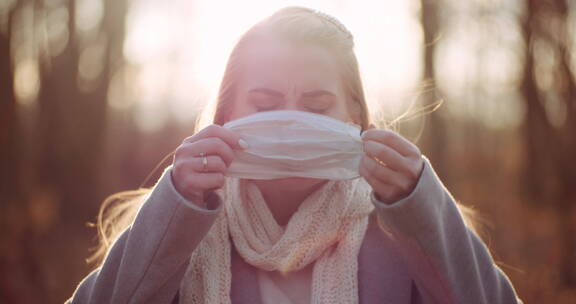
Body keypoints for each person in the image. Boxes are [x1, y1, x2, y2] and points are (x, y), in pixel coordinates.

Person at [67, 6, 523, 304]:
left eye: (317, 106)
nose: (290, 122)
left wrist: (423, 211)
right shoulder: (179, 226)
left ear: (355, 117)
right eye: (264, 105)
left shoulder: (400, 232)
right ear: (225, 116)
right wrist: (175, 207)